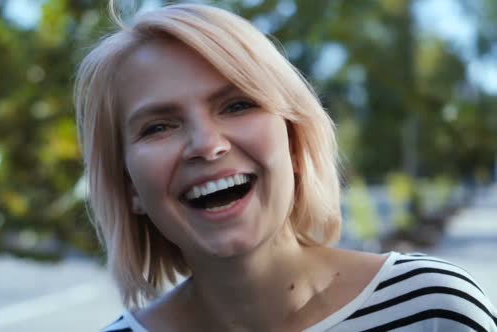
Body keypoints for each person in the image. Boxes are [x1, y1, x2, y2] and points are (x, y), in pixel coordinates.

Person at [74, 2, 497, 331]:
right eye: (159, 126)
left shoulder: (435, 309)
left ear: (294, 143)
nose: (206, 145)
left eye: (237, 105)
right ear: (128, 186)